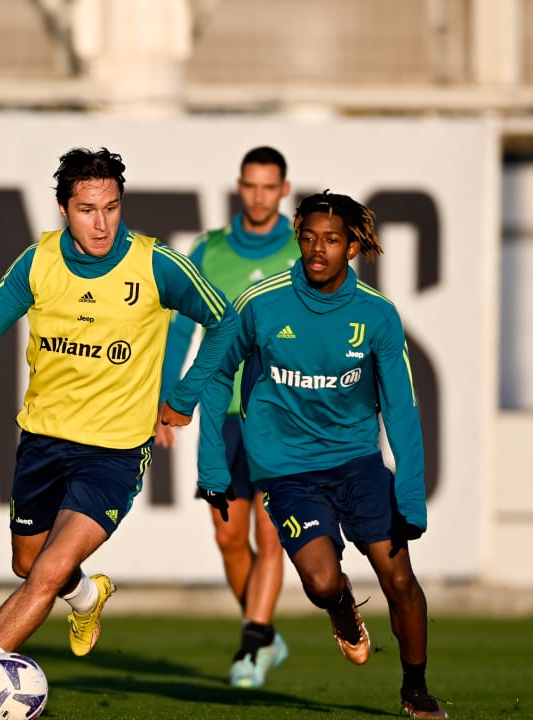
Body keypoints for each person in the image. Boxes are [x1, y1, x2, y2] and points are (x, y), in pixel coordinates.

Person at [0, 147, 236, 720]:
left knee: (45, 571)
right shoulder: (39, 262)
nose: (102, 223)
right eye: (88, 209)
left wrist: (183, 396)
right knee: (28, 563)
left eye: (112, 208)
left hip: (114, 452)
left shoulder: (155, 264)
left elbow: (226, 321)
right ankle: (88, 596)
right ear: (64, 208)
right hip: (42, 442)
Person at [198, 191, 448, 718]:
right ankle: (341, 609)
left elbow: (400, 409)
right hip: (288, 470)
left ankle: (415, 689)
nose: (317, 250)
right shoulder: (263, 304)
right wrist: (213, 463)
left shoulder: (377, 316)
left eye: (331, 240)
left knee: (399, 578)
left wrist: (410, 493)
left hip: (357, 463)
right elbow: (218, 372)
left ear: (353, 247)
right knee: (321, 581)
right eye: (308, 238)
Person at [157, 145, 298, 688]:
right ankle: (263, 633)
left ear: (284, 190)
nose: (260, 196)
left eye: (270, 186)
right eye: (251, 185)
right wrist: (170, 401)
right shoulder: (210, 250)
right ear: (240, 187)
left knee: (270, 529)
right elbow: (180, 328)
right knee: (228, 538)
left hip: (283, 412)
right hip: (222, 411)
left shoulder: (304, 250)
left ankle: (249, 647)